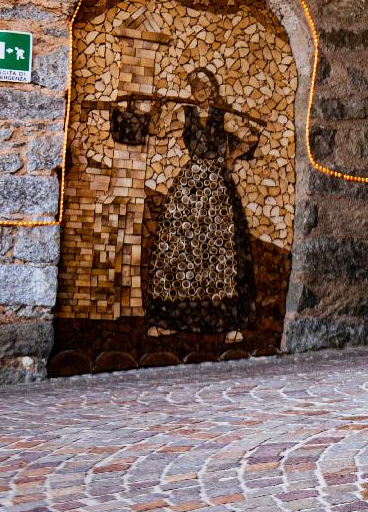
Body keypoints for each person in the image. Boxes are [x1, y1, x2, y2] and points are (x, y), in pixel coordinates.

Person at [111, 68, 261, 341]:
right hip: (190, 183)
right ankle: (169, 318)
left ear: (212, 90)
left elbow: (250, 137)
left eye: (203, 89)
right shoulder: (185, 114)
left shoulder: (222, 115)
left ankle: (228, 323)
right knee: (177, 243)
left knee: (220, 248)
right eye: (195, 89)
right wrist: (158, 109)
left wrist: (230, 157)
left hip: (216, 184)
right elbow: (158, 131)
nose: (199, 94)